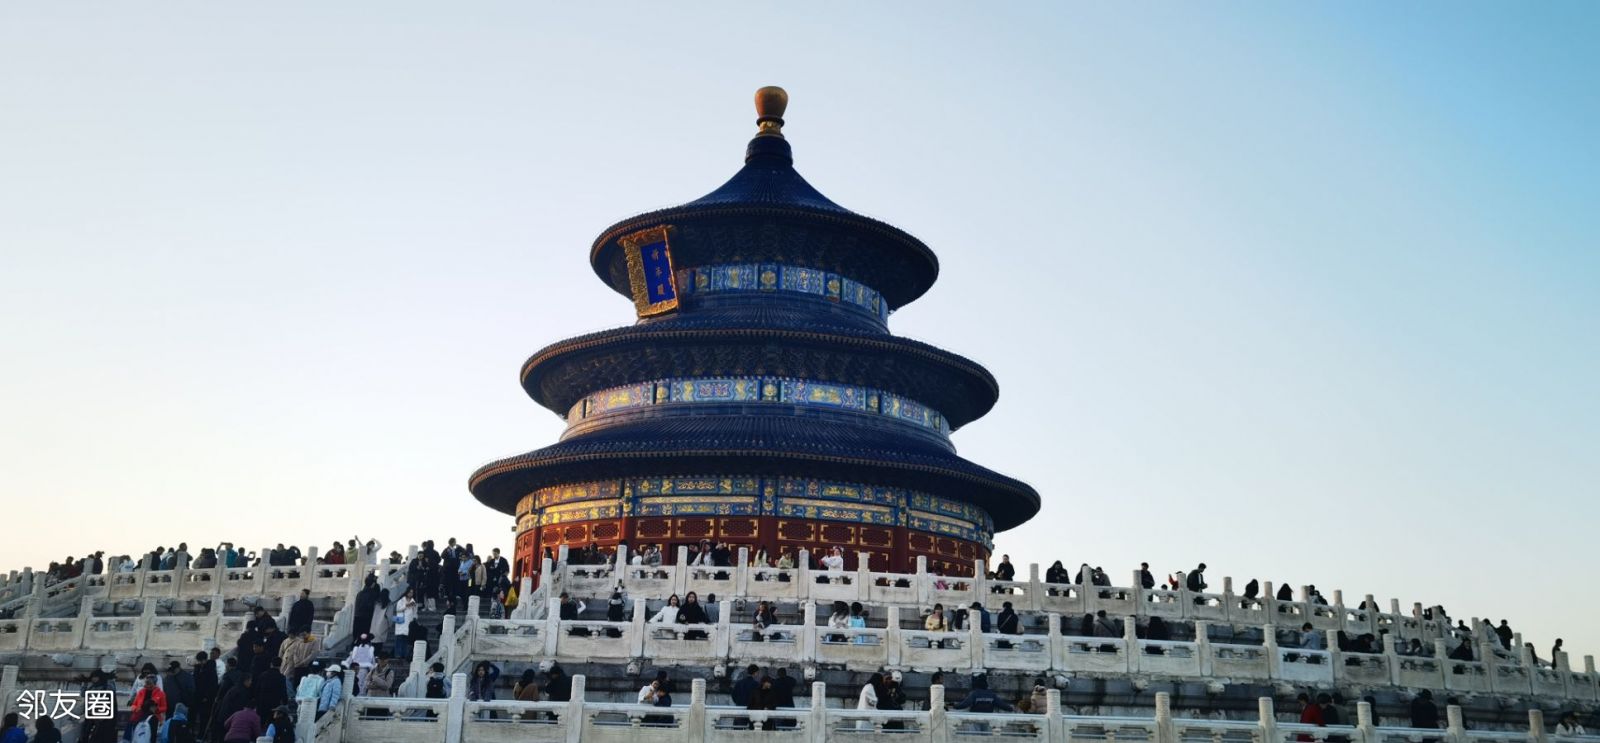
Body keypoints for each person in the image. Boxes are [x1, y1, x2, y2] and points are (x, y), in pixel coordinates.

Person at [393, 587, 418, 659]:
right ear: (407, 592)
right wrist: (406, 606)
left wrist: (415, 618)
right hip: (401, 621)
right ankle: (397, 654)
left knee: (406, 639)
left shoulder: (413, 602)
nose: (411, 594)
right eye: (410, 592)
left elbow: (415, 612)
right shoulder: (401, 601)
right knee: (399, 638)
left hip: (409, 622)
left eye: (412, 593)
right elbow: (398, 609)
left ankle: (404, 654)